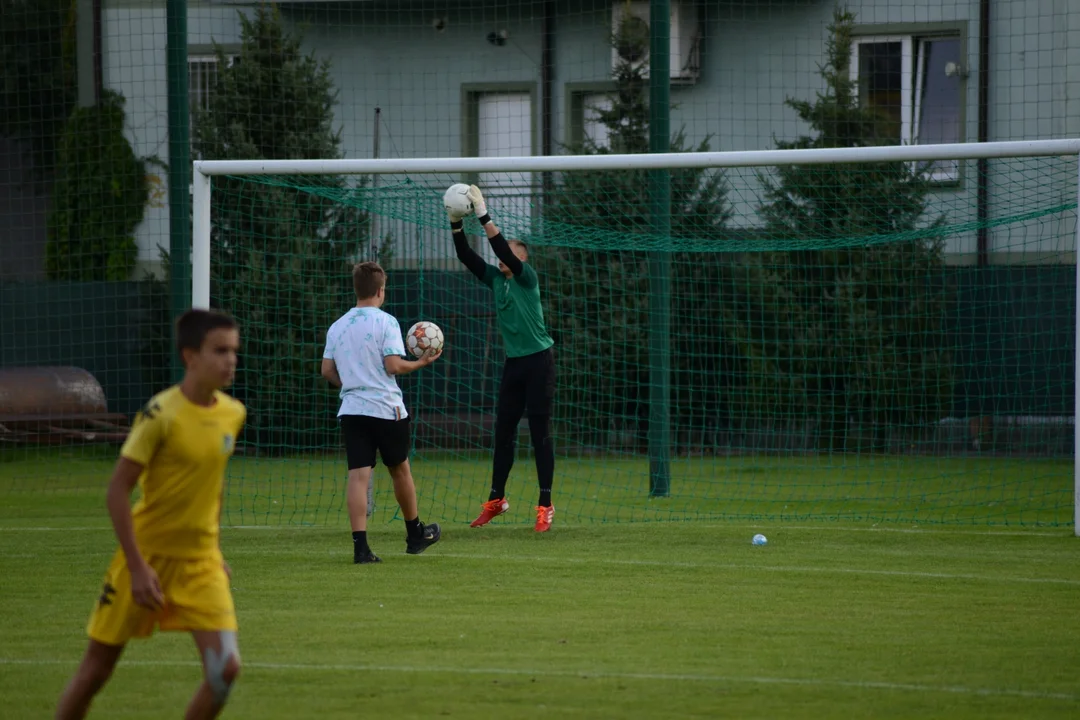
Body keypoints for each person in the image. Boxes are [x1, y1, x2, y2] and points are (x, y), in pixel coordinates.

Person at [55, 309, 247, 720]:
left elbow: (211, 489)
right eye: (220, 350)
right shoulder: (161, 414)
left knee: (225, 669)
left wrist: (214, 551)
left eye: (234, 351)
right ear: (189, 356)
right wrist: (138, 568)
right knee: (97, 669)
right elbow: (117, 491)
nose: (230, 359)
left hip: (200, 563)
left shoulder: (233, 413)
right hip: (145, 559)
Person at [449, 185, 557, 533]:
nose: (502, 255)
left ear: (521, 259)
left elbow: (502, 250)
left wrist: (483, 213)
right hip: (514, 365)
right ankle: (497, 500)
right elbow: (467, 256)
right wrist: (456, 223)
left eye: (510, 251)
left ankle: (545, 504)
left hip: (539, 361)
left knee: (540, 433)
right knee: (503, 432)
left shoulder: (527, 278)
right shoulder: (497, 280)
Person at [322, 261, 443, 563]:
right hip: (386, 410)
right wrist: (420, 363)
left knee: (358, 476)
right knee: (399, 469)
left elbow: (326, 370)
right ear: (379, 290)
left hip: (352, 410)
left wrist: (350, 384)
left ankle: (361, 548)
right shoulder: (386, 322)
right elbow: (393, 365)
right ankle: (415, 534)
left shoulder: (338, 326)